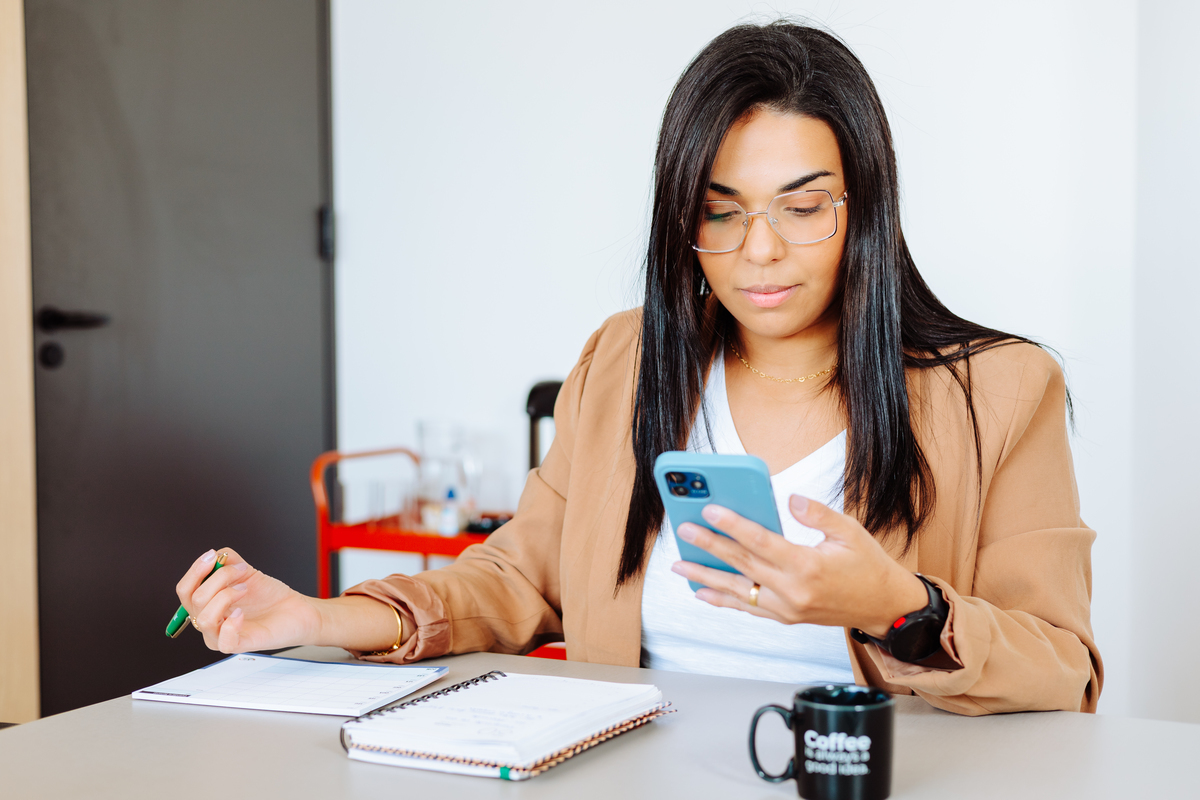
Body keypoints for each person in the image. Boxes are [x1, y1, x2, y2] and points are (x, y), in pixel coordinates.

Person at [177, 21, 1101, 715]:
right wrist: (312, 618)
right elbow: (516, 579)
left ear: (866, 208)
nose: (761, 251)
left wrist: (898, 607)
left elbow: (1065, 669)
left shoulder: (1001, 391)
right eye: (721, 211)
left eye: (804, 206)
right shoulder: (626, 358)